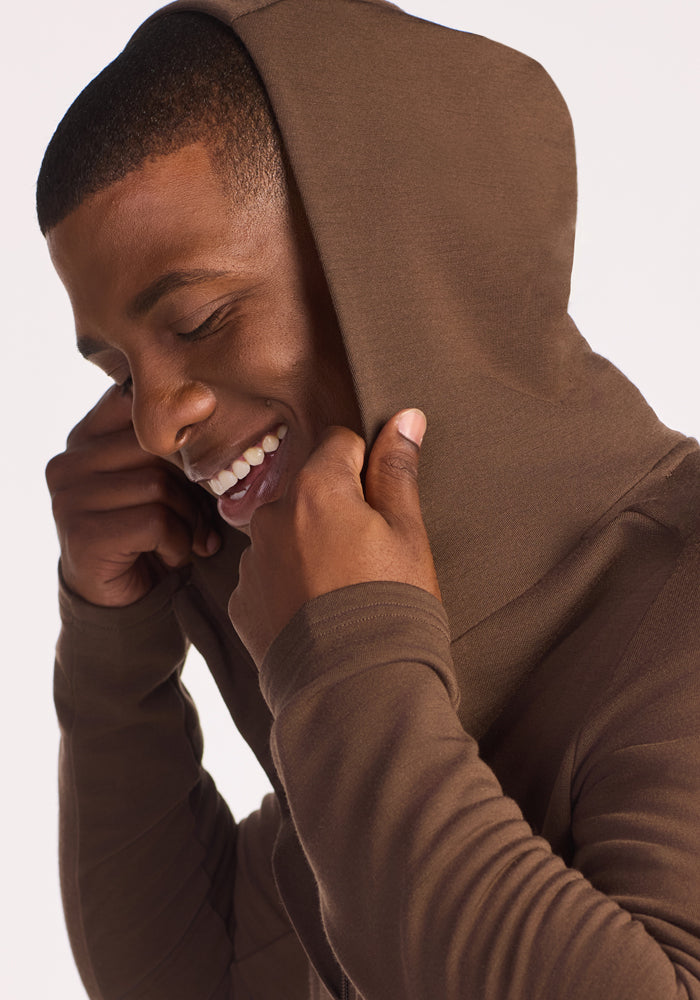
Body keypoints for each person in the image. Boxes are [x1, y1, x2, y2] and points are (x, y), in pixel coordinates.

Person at [39, 2, 700, 999]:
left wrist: (351, 662)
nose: (155, 423)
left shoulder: (670, 604)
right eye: (122, 374)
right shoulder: (386, 696)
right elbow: (197, 975)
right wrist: (111, 638)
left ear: (399, 273)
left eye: (201, 319)